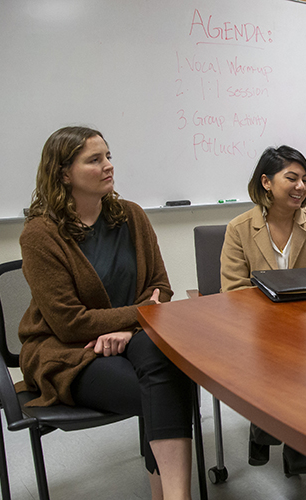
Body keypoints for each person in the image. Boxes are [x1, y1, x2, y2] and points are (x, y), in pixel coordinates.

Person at [17, 126, 194, 499]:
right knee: (163, 388)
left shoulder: (131, 216)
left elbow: (160, 287)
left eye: (109, 156)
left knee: (167, 368)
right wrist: (138, 318)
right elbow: (70, 323)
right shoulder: (40, 235)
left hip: (134, 336)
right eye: (95, 160)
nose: (109, 166)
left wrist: (130, 330)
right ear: (64, 174)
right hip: (69, 352)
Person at [220, 145, 306, 474]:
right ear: (266, 182)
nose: (301, 186)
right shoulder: (239, 228)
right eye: (291, 178)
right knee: (277, 363)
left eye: (305, 179)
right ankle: (266, 429)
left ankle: (294, 443)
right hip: (258, 329)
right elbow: (233, 291)